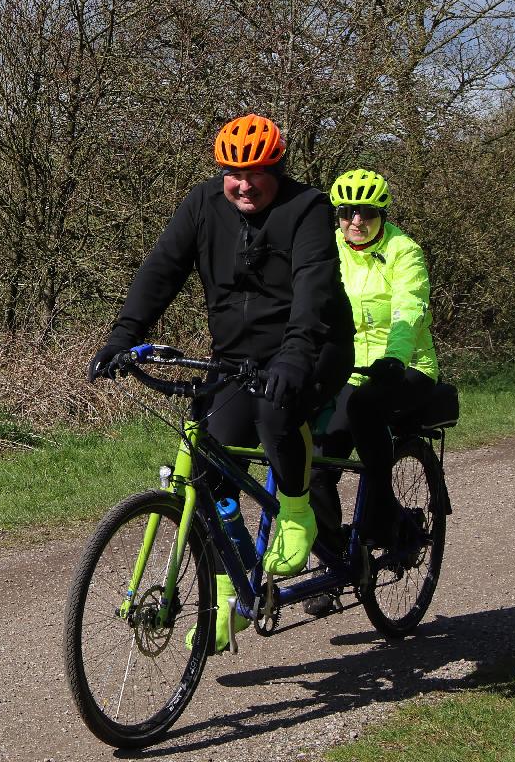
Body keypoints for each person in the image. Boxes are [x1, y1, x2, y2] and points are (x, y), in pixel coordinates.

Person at [89, 114, 354, 651]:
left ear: (276, 168)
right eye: (233, 172)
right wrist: (123, 336)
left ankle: (297, 511)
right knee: (211, 469)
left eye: (256, 172)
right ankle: (231, 596)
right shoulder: (204, 204)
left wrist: (296, 356)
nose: (244, 184)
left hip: (315, 347)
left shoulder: (308, 210)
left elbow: (313, 291)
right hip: (236, 357)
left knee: (276, 412)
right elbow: (162, 268)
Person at [307, 168, 439, 599]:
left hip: (404, 369)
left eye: (366, 213)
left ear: (382, 214)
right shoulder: (330, 252)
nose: (356, 222)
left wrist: (395, 359)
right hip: (347, 370)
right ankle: (331, 560)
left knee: (364, 407)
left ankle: (384, 513)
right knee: (316, 462)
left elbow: (409, 310)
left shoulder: (404, 252)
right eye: (346, 213)